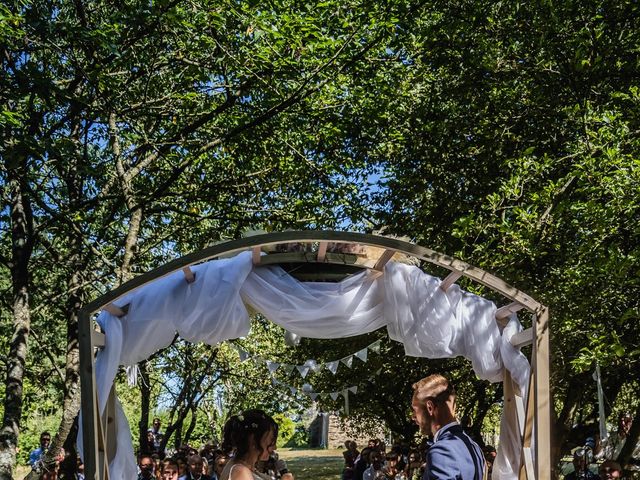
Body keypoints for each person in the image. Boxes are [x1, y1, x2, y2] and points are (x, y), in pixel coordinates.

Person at [410, 374, 484, 480]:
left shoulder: (441, 451)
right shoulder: (473, 446)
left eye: (415, 409)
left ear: (430, 407)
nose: (413, 416)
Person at [219, 409, 279, 480]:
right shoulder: (240, 472)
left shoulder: (242, 467)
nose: (275, 447)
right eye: (271, 440)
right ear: (253, 439)